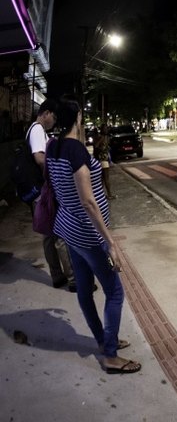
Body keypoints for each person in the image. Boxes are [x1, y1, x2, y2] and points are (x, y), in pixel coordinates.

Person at [46, 97, 141, 374]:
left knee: (85, 289)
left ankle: (103, 339)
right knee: (115, 292)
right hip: (87, 233)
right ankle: (109, 355)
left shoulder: (54, 147)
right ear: (77, 118)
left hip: (69, 228)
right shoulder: (75, 149)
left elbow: (60, 188)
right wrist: (109, 242)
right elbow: (88, 201)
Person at [28, 98, 75, 290]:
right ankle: (73, 278)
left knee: (48, 235)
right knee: (60, 232)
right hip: (44, 191)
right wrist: (56, 173)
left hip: (39, 191)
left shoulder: (36, 130)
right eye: (54, 118)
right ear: (45, 113)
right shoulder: (37, 129)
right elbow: (40, 158)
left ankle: (57, 276)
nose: (54, 122)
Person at [93, 124, 116, 199]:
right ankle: (109, 194)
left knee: (102, 179)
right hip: (103, 159)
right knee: (106, 178)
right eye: (105, 129)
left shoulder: (107, 137)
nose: (106, 130)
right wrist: (101, 141)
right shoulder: (101, 137)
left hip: (105, 159)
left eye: (107, 128)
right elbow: (96, 146)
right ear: (102, 130)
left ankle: (101, 195)